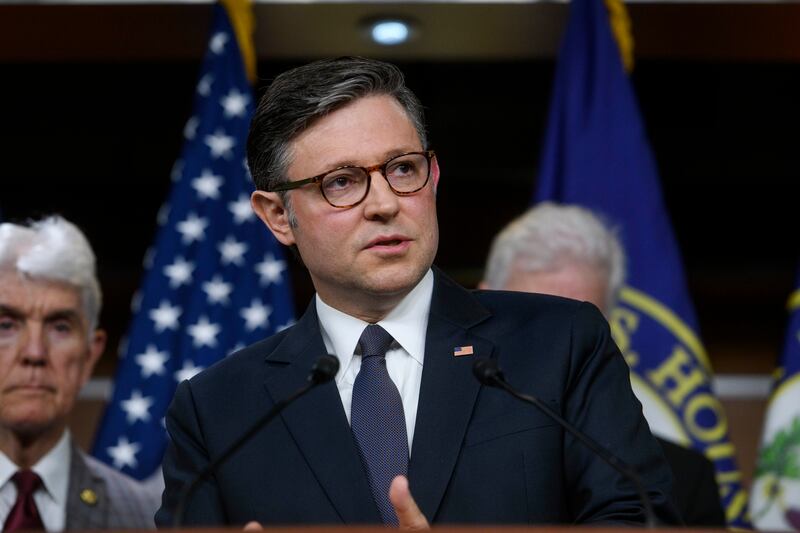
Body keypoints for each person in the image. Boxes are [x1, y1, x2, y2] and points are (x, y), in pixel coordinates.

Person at [156, 57, 678, 528]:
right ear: (277, 217)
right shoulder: (217, 410)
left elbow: (640, 518)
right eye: (341, 181)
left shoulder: (559, 345)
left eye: (402, 168)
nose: (384, 203)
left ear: (432, 177)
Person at [482, 202, 727, 527]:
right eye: (534, 326)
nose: (555, 353)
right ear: (482, 310)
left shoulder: (681, 481)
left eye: (577, 331)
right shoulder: (428, 456)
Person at [0, 216, 160, 531]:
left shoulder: (144, 517)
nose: (34, 353)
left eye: (60, 326)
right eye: (6, 325)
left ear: (90, 355)